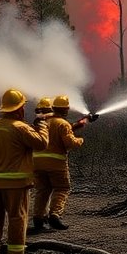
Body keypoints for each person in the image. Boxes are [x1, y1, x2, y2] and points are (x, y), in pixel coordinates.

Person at [0, 89, 48, 254]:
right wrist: (41, 125)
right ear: (19, 109)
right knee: (18, 218)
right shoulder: (20, 127)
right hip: (16, 183)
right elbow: (41, 144)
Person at [29, 95, 89, 234]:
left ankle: (38, 219)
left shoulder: (42, 122)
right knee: (62, 188)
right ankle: (55, 216)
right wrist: (80, 140)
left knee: (42, 190)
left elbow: (64, 129)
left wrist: (84, 121)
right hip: (56, 163)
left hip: (37, 162)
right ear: (66, 109)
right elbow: (69, 142)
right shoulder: (62, 123)